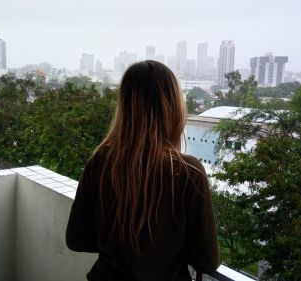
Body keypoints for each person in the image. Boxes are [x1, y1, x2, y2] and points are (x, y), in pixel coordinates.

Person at [66, 60, 220, 281]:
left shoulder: (100, 161)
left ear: (124, 107)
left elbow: (77, 239)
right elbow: (208, 260)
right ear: (173, 107)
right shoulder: (188, 172)